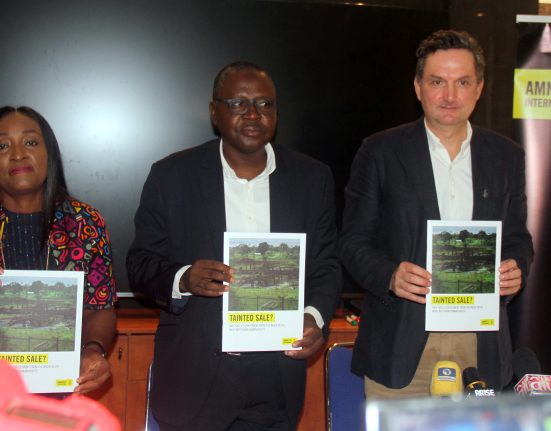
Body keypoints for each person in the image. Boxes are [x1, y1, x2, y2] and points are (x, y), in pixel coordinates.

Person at [127, 61, 341, 430]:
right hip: (195, 376)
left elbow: (327, 264)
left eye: (265, 104)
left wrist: (314, 318)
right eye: (238, 104)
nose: (254, 115)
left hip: (276, 375)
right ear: (215, 112)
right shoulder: (172, 175)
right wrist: (183, 278)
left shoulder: (312, 178)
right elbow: (140, 262)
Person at [339, 30, 533, 398]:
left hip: (480, 342)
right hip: (401, 343)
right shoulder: (380, 152)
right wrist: (389, 275)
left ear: (479, 88)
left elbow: (518, 239)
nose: (449, 96)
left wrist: (514, 267)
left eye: (462, 82)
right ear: (417, 87)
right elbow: (352, 240)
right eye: (437, 82)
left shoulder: (506, 156)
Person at [0, 106, 117, 394]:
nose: (17, 154)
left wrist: (93, 350)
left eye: (30, 142)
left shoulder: (84, 222)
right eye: (2, 145)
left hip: (58, 394)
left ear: (49, 154)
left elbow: (99, 307)